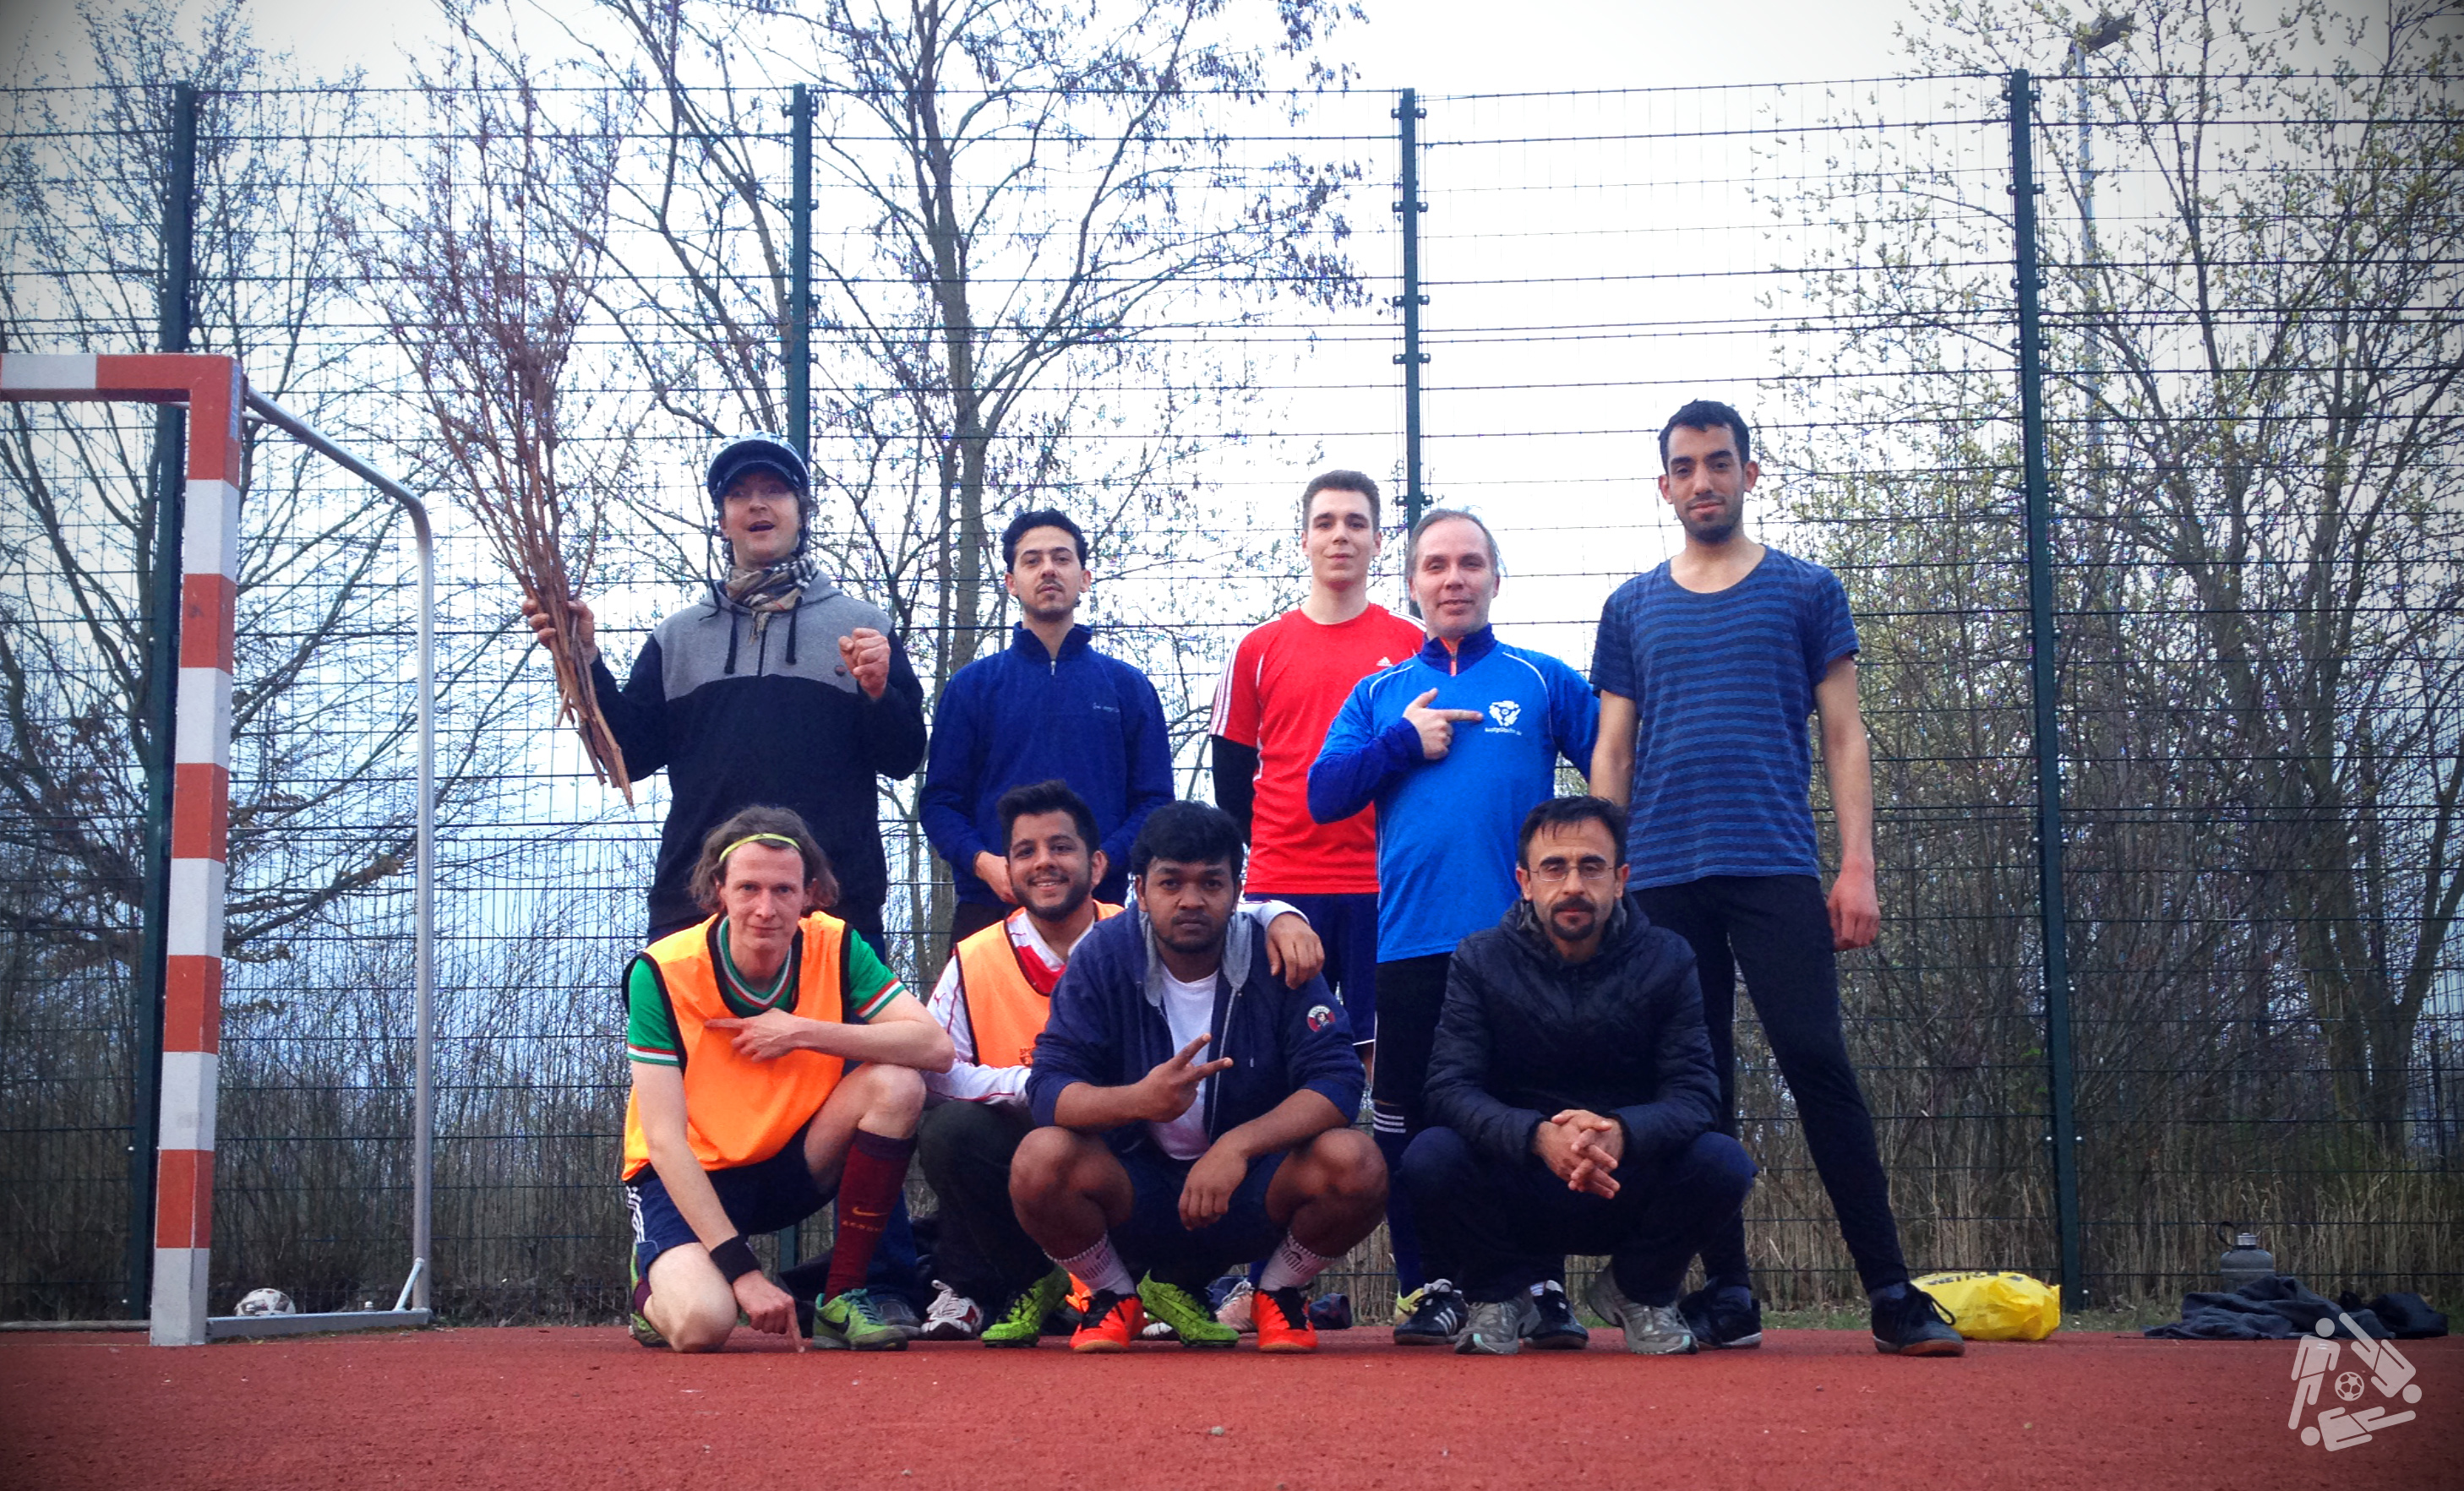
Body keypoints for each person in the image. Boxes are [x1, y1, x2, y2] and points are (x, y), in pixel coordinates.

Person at [1588, 398, 1962, 1357]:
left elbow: (1844, 734)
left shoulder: (1807, 590)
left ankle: (1891, 1291)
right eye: (1685, 467)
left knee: (1816, 1060)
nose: (1703, 480)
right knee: (1697, 1084)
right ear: (1664, 486)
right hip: (1661, 876)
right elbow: (1613, 750)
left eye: (1719, 462)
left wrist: (1857, 865)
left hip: (1775, 865)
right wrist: (1603, 875)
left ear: (1749, 474)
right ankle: (1730, 1293)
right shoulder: (1630, 608)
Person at [1307, 508, 1599, 1345]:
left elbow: (1614, 771)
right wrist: (1402, 742)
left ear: (1496, 579)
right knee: (1406, 1122)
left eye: (1470, 563)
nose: (1453, 578)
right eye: (1435, 565)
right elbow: (1324, 795)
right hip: (1410, 944)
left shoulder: (1542, 680)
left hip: (1525, 950)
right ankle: (1426, 1287)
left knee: (1530, 1114)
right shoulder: (1381, 694)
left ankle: (1540, 1284)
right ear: (1412, 585)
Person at [912, 779, 1323, 1344]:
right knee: (965, 1133)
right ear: (1006, 867)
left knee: (1346, 1156)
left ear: (1099, 863)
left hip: (1171, 1160)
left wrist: (1280, 913)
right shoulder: (978, 956)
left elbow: (1204, 893)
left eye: (1061, 847)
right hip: (1086, 1140)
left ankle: (1206, 1288)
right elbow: (938, 1072)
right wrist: (1059, 1091)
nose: (1044, 863)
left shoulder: (1149, 927)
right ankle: (1056, 1285)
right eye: (1026, 851)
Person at [524, 433, 928, 954]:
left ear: (802, 512)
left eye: (774, 491)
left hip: (830, 905)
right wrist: (584, 662)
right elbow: (630, 756)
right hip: (696, 905)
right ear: (722, 521)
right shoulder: (677, 636)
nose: (757, 504)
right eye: (739, 494)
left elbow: (903, 758)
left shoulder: (863, 627)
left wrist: (876, 691)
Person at [1008, 802, 1387, 1353]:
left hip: (1252, 1190)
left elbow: (1338, 1081)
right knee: (1039, 1158)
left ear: (1237, 890)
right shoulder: (1102, 957)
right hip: (1134, 1190)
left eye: (1211, 882)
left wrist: (1238, 1146)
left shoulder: (1277, 955)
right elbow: (1047, 1089)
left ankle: (1276, 1291)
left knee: (1357, 1161)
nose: (1191, 900)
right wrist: (1138, 1101)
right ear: (1140, 889)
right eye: (1171, 883)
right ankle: (1114, 1295)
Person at [1403, 797, 1755, 1356]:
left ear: (1620, 880)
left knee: (1723, 1161)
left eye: (1591, 867)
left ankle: (1639, 1288)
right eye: (1554, 867)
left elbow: (1695, 1094)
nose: (1573, 885)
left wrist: (1620, 1133)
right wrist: (1538, 1136)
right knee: (1430, 1155)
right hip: (1519, 1183)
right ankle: (1500, 1294)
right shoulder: (1479, 958)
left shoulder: (1669, 957)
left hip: (1624, 1180)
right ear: (1525, 882)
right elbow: (1448, 1088)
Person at [1207, 469, 1424, 1330]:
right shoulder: (1259, 648)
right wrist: (1258, 890)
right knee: (1273, 1091)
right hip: (1282, 895)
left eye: (1357, 522)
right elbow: (1232, 781)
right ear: (1303, 538)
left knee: (1398, 1087)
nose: (1341, 535)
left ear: (1378, 541)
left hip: (1387, 893)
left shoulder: (1411, 643)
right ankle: (1261, 1282)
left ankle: (1424, 1283)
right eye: (1326, 521)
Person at [621, 807, 954, 1353]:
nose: (765, 908)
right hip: (691, 1178)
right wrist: (744, 1274)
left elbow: (934, 1047)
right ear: (718, 890)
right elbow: (662, 1140)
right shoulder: (660, 971)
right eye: (748, 888)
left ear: (809, 894)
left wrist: (802, 1032)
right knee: (703, 1324)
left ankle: (842, 1295)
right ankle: (649, 1286)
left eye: (783, 890)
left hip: (789, 1165)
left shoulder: (836, 945)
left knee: (897, 1084)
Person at [922, 509, 1174, 944]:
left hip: (1102, 910)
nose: (1048, 570)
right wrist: (984, 863)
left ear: (1085, 577)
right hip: (990, 909)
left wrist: (1105, 861)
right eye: (1032, 560)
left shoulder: (1128, 688)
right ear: (1010, 582)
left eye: (1061, 558)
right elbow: (940, 802)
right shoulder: (971, 687)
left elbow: (1155, 801)